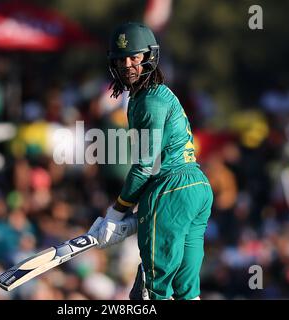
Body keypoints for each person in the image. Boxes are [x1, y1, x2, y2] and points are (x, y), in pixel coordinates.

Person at [89, 22, 214, 300]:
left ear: (150, 57)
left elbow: (146, 166)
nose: (127, 65)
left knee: (152, 292)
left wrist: (116, 211)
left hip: (170, 189)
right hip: (196, 188)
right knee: (187, 293)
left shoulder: (148, 99)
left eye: (135, 57)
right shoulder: (159, 94)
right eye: (121, 59)